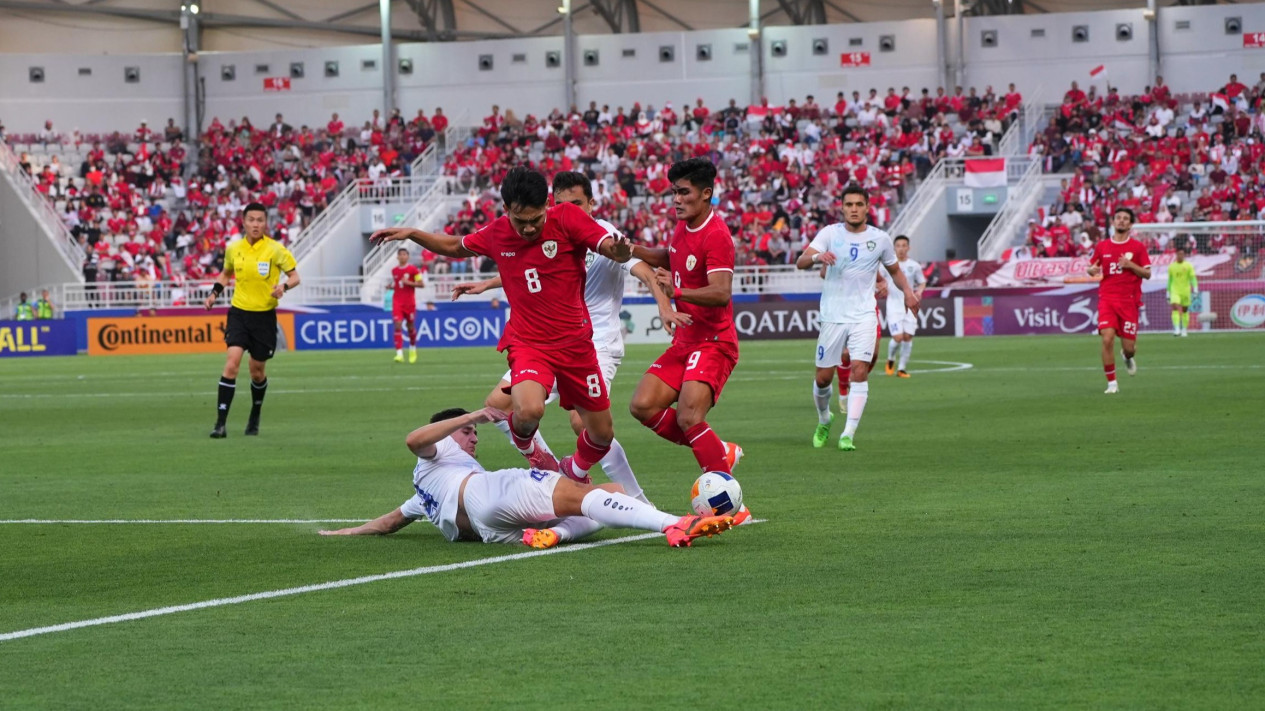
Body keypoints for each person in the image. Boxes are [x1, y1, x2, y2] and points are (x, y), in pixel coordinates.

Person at [370, 167, 632, 486]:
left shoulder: (567, 218)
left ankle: (572, 471)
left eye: (537, 219)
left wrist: (615, 251)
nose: (530, 228)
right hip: (529, 344)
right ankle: (529, 446)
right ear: (506, 209)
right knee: (528, 411)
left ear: (547, 206)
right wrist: (413, 233)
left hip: (577, 345)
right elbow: (454, 247)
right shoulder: (497, 232)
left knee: (601, 434)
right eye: (521, 221)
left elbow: (604, 243)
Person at [453, 171, 678, 504]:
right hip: (546, 338)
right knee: (497, 405)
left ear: (591, 203)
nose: (568, 209)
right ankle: (549, 468)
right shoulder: (552, 228)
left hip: (595, 341)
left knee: (581, 422)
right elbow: (533, 271)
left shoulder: (603, 234)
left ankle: (637, 500)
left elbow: (643, 269)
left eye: (576, 203)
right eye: (561, 204)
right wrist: (488, 284)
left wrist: (664, 305)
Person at [318, 407, 735, 549]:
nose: (474, 438)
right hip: (485, 495)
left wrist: (345, 533)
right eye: (468, 434)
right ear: (447, 433)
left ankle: (559, 535)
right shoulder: (438, 451)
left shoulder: (424, 490)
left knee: (610, 494)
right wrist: (471, 416)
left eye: (475, 433)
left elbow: (390, 522)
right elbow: (413, 439)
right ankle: (674, 524)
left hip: (489, 531)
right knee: (579, 494)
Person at [627, 159, 744, 480]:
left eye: (683, 192)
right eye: (673, 192)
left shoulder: (717, 235)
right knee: (642, 405)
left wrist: (676, 290)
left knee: (689, 417)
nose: (676, 199)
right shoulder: (684, 225)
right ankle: (718, 450)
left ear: (706, 194)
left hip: (714, 342)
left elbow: (721, 292)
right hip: (685, 340)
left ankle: (729, 504)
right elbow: (671, 255)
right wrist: (633, 250)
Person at [796, 185, 919, 451]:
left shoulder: (881, 239)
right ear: (842, 207)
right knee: (823, 379)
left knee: (859, 370)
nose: (854, 209)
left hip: (864, 315)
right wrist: (818, 256)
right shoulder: (830, 233)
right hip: (832, 316)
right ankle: (824, 418)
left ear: (867, 208)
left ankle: (848, 434)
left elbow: (895, 271)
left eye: (858, 205)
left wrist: (908, 293)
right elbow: (801, 261)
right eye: (849, 204)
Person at [204, 202, 301, 437]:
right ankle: (220, 424)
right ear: (244, 222)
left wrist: (283, 287)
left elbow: (295, 276)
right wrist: (214, 293)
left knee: (257, 371)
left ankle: (255, 414)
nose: (256, 224)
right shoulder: (233, 249)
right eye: (251, 220)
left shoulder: (276, 250)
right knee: (232, 363)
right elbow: (226, 273)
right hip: (239, 313)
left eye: (260, 220)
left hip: (264, 316)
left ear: (265, 223)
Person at [1087, 207, 1151, 395]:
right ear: (1114, 222)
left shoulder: (1138, 247)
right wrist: (1091, 270)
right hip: (1107, 299)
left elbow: (1147, 273)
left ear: (1130, 224)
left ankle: (1127, 356)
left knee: (1129, 348)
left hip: (1129, 302)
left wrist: (1130, 265)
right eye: (1118, 218)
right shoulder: (1103, 246)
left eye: (1125, 219)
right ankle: (1112, 383)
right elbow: (1093, 267)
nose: (1121, 221)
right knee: (1107, 339)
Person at [882, 236, 927, 378]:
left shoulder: (914, 266)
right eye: (898, 246)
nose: (901, 249)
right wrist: (880, 286)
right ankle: (890, 359)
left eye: (904, 246)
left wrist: (919, 292)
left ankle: (901, 369)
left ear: (908, 248)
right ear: (894, 248)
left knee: (907, 337)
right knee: (898, 337)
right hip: (893, 306)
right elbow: (878, 279)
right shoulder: (888, 265)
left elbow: (922, 282)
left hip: (910, 304)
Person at [390, 248, 424, 363]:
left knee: (410, 327)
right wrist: (391, 286)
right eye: (401, 254)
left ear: (408, 257)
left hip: (409, 303)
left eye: (405, 254)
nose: (403, 256)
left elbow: (421, 284)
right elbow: (397, 284)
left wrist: (409, 283)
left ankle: (413, 348)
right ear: (397, 257)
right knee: (398, 325)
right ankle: (399, 354)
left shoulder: (413, 270)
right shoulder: (394, 271)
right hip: (397, 302)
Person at [1167, 247, 1198, 337]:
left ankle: (1184, 329)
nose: (1181, 256)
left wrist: (1195, 289)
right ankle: (1177, 329)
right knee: (1175, 308)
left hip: (1185, 291)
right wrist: (1168, 293)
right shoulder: (1172, 266)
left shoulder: (1188, 266)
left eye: (1182, 254)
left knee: (1185, 310)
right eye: (1179, 254)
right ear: (1176, 255)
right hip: (1175, 290)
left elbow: (1193, 278)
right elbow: (1170, 280)